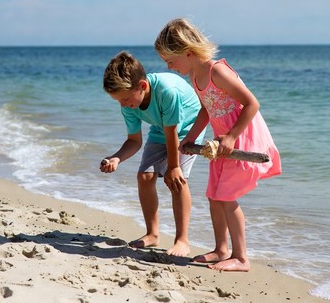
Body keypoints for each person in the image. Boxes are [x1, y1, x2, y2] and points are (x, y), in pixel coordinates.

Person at [154, 18, 281, 271]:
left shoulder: (217, 71)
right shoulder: (195, 76)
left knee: (226, 196)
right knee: (214, 196)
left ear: (188, 53)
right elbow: (206, 108)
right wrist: (191, 136)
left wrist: (232, 136)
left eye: (170, 61)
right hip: (220, 143)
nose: (169, 66)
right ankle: (221, 249)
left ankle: (241, 257)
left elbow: (251, 104)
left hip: (239, 139)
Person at [100, 51, 206, 257]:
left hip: (187, 130)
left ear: (142, 86)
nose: (122, 104)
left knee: (177, 181)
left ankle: (182, 240)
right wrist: (116, 158)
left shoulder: (167, 91)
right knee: (144, 176)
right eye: (118, 101)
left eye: (125, 99)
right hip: (161, 128)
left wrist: (174, 167)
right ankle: (152, 234)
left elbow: (172, 131)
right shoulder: (129, 103)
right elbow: (134, 141)